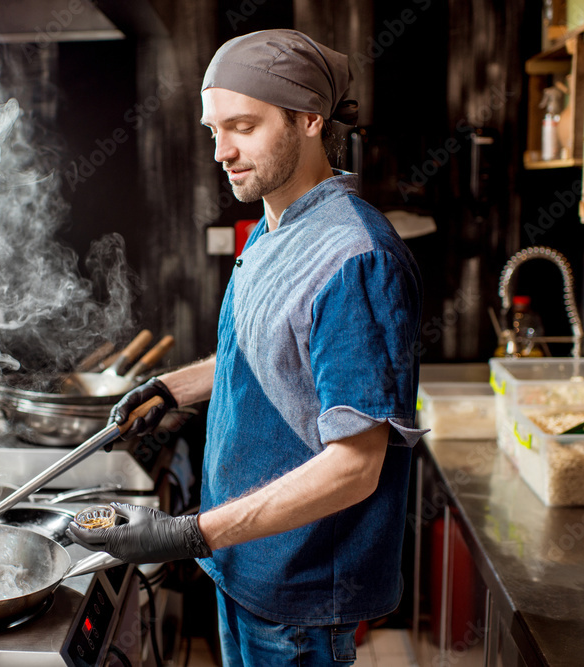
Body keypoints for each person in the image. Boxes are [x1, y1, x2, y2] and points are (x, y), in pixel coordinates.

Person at [68, 29, 425, 666]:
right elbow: (264, 352)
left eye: (242, 126)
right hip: (246, 564)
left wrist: (187, 532)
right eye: (213, 131)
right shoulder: (274, 226)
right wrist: (168, 389)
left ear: (309, 119)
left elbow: (356, 465)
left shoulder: (355, 258)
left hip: (301, 591)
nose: (222, 152)